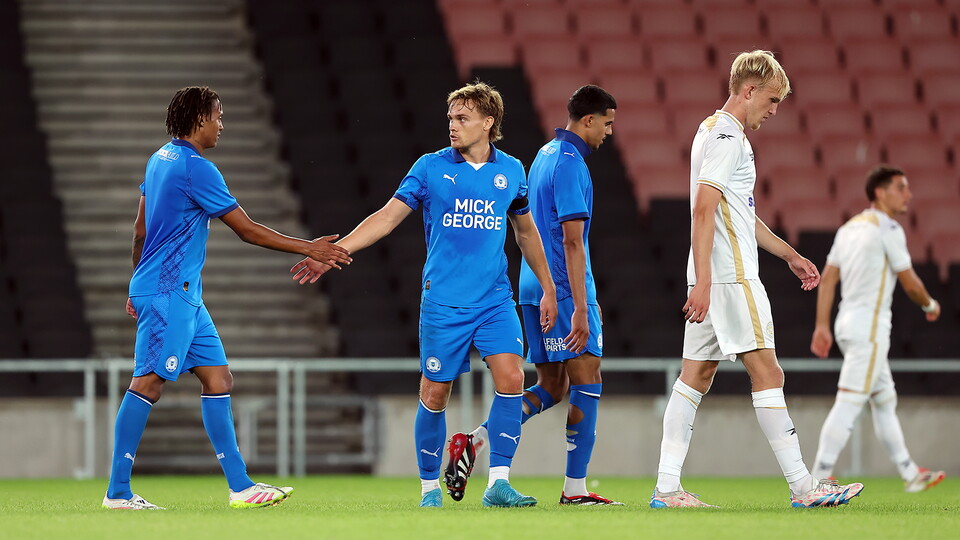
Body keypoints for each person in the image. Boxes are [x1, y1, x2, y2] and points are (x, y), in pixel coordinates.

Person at [290, 82, 558, 508]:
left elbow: (526, 233)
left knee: (512, 379)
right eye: (450, 118)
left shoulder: (512, 171)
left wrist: (548, 287)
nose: (452, 126)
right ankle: (430, 489)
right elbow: (386, 218)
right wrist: (337, 252)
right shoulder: (430, 168)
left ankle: (497, 484)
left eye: (462, 118)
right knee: (435, 392)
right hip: (444, 302)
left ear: (488, 123)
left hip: (494, 299)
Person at [102, 86, 352, 510]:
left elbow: (140, 231)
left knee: (219, 379)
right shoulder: (198, 169)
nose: (222, 125)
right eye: (218, 116)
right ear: (199, 118)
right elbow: (248, 230)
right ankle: (118, 492)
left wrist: (137, 282)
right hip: (169, 292)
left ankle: (241, 487)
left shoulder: (159, 158)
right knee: (148, 382)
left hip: (178, 294)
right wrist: (308, 247)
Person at [650, 51, 864, 509]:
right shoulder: (728, 136)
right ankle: (804, 488)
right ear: (748, 91)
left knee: (694, 376)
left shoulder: (709, 131)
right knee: (768, 372)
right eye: (770, 99)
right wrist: (707, 280)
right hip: (730, 278)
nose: (773, 110)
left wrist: (788, 254)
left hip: (712, 275)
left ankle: (667, 488)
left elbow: (737, 214)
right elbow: (704, 208)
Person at [445, 85, 621, 506]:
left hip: (533, 286)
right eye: (608, 123)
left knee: (552, 385)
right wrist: (579, 306)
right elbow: (572, 239)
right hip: (560, 288)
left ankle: (475, 441)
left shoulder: (543, 155)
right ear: (589, 119)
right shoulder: (572, 163)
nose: (609, 133)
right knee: (588, 379)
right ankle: (575, 489)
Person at [810, 166, 946, 493]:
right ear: (880, 192)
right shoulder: (888, 229)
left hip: (847, 323)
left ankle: (909, 471)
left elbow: (828, 279)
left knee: (884, 400)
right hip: (869, 329)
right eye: (901, 187)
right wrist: (931, 305)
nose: (908, 195)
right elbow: (910, 282)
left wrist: (822, 326)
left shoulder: (848, 228)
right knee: (849, 400)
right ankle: (817, 477)